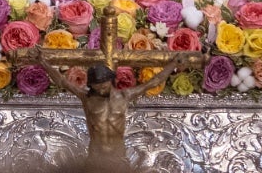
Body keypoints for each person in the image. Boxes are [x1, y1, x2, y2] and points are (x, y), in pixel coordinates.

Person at [29, 57, 186, 169]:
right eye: (97, 86)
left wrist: (172, 65)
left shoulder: (125, 96)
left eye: (104, 85)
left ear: (110, 81)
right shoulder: (87, 98)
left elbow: (154, 82)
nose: (101, 88)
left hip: (118, 158)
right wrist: (42, 61)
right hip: (95, 159)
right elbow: (62, 81)